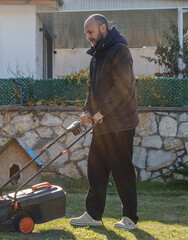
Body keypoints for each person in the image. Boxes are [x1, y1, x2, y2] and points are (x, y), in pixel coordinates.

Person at [69, 14, 139, 230]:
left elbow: (122, 86)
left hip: (120, 124)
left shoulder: (119, 50)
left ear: (103, 28)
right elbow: (93, 89)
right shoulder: (97, 56)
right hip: (102, 124)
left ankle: (130, 219)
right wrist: (87, 112)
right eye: (86, 34)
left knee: (122, 171)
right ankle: (93, 215)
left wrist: (103, 111)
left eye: (90, 32)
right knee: (96, 169)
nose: (88, 37)